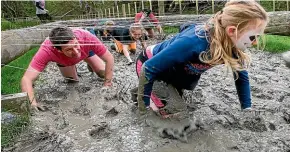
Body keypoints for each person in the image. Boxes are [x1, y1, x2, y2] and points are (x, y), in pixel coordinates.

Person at [134, 0, 269, 117]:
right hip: (151, 66)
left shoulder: (233, 48)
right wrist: (143, 111)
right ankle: (143, 96)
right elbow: (148, 68)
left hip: (174, 74)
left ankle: (143, 94)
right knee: (177, 113)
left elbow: (241, 77)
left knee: (175, 103)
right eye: (253, 37)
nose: (255, 43)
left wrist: (247, 109)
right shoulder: (193, 42)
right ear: (232, 31)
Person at [21, 27, 114, 111]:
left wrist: (107, 84)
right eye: (69, 49)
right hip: (65, 61)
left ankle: (90, 64)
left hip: (87, 51)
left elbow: (109, 58)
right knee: (72, 81)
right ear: (58, 50)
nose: (76, 52)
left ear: (76, 38)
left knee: (102, 73)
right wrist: (32, 103)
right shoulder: (47, 50)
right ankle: (75, 65)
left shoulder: (87, 37)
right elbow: (26, 79)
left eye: (75, 44)